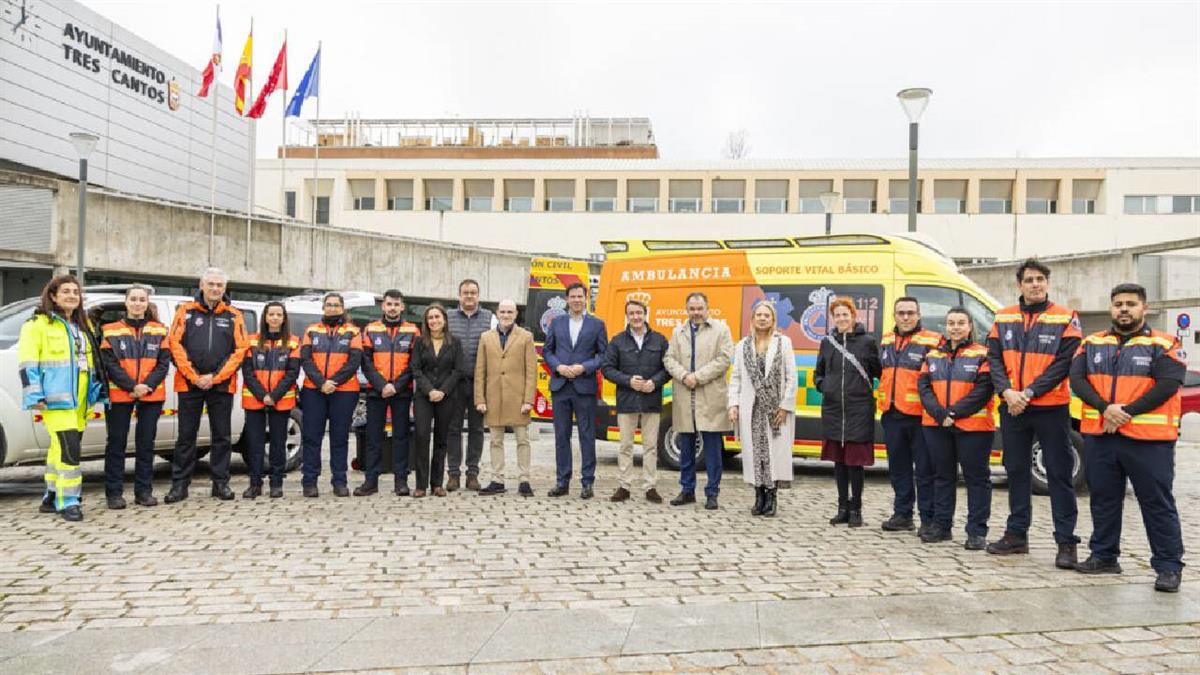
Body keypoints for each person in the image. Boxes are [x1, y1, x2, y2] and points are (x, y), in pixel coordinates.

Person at [1070, 283, 1186, 593]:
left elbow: (1168, 383)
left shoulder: (1164, 343)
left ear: (1143, 308)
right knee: (1103, 500)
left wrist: (1126, 412)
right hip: (1101, 436)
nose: (1124, 309)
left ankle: (1168, 566)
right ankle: (1104, 556)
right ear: (1111, 308)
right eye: (1118, 304)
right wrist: (1105, 408)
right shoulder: (1091, 343)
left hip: (1149, 440)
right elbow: (1077, 380)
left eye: (1131, 304)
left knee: (1156, 503)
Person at [985, 258, 1083, 567]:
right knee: (1016, 470)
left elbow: (1065, 363)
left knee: (1059, 473)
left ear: (1047, 283)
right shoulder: (1003, 316)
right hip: (1012, 406)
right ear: (1020, 285)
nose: (1035, 284)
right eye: (1029, 280)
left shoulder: (1065, 317)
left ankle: (1066, 543)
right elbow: (993, 359)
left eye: (1040, 279)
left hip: (1050, 407)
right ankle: (1017, 535)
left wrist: (1028, 393)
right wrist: (1007, 392)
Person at [18, 275, 107, 521]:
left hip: (80, 401)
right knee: (70, 450)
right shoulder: (37, 325)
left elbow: (90, 362)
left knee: (59, 447)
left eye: (75, 292)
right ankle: (68, 501)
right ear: (53, 296)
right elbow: (27, 364)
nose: (72, 296)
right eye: (66, 291)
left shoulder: (82, 326)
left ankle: (51, 494)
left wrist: (95, 390)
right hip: (55, 399)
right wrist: (34, 394)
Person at [166, 268, 248, 503]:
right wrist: (194, 376)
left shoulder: (234, 315)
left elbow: (240, 350)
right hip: (189, 384)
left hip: (221, 385)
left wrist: (215, 376)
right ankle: (180, 486)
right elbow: (174, 344)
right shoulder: (185, 311)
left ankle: (220, 484)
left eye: (219, 285)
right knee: (186, 437)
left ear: (224, 288)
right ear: (201, 285)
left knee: (221, 436)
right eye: (211, 284)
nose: (215, 288)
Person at [917, 307, 995, 548]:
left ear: (970, 326)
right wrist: (940, 414)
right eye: (951, 323)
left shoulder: (983, 354)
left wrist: (953, 413)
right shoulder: (932, 355)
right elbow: (924, 388)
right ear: (945, 326)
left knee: (977, 479)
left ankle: (976, 532)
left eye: (961, 323)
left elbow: (984, 389)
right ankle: (942, 527)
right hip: (937, 425)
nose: (955, 327)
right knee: (943, 477)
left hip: (974, 428)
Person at [100, 285, 170, 509]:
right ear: (126, 302)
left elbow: (163, 363)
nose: (138, 303)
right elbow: (109, 363)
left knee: (146, 444)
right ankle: (114, 494)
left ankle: (144, 492)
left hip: (151, 394)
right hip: (121, 394)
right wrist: (131, 386)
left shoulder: (160, 330)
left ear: (147, 303)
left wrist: (146, 386)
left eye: (142, 299)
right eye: (134, 299)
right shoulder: (110, 330)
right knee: (116, 444)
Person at [877, 296, 942, 534]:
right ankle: (902, 514)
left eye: (910, 313)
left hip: (920, 416)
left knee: (925, 470)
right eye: (901, 313)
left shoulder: (933, 340)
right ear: (894, 316)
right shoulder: (886, 339)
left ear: (919, 315)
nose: (905, 317)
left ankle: (928, 519)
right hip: (892, 414)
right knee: (898, 469)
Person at [664, 292, 734, 510]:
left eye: (699, 308)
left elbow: (724, 359)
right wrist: (684, 375)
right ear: (687, 310)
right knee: (686, 447)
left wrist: (698, 377)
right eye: (692, 309)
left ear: (707, 309)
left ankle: (712, 492)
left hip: (710, 396)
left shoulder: (721, 330)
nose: (696, 312)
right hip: (685, 396)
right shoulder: (678, 331)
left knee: (712, 449)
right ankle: (687, 490)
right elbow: (669, 358)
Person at [815, 297, 882, 527]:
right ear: (833, 318)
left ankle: (856, 509)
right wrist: (825, 386)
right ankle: (842, 508)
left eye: (845, 314)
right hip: (834, 410)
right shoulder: (827, 343)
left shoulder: (867, 343)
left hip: (859, 410)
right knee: (839, 462)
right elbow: (818, 373)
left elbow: (878, 372)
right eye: (837, 315)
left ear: (854, 316)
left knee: (855, 463)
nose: (842, 319)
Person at [728, 300, 796, 517]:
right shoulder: (743, 345)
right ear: (753, 318)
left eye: (767, 315)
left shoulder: (783, 343)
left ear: (773, 319)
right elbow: (736, 377)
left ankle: (772, 497)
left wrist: (785, 406)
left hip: (775, 410)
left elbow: (792, 377)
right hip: (752, 409)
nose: (762, 318)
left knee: (773, 454)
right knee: (754, 454)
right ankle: (759, 496)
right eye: (759, 315)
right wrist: (733, 404)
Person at [601, 297, 670, 504]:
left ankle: (650, 487)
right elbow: (607, 368)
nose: (636, 317)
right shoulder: (617, 341)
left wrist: (655, 382)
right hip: (627, 400)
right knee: (625, 446)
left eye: (639, 313)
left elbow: (668, 368)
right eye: (631, 313)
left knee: (650, 447)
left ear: (645, 314)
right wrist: (628, 381)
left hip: (651, 400)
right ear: (627, 316)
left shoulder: (659, 340)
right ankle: (624, 486)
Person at [543, 282, 608, 499]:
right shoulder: (556, 323)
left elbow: (603, 355)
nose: (577, 300)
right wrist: (558, 367)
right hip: (561, 386)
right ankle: (562, 481)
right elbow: (547, 351)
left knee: (586, 436)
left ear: (586, 298)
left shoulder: (597, 324)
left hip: (584, 386)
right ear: (567, 299)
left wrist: (584, 367)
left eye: (580, 296)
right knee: (561, 436)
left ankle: (587, 483)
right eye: (573, 296)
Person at [356, 290, 421, 497]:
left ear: (402, 307)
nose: (392, 308)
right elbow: (365, 362)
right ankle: (371, 481)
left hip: (401, 391)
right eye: (389, 304)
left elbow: (414, 363)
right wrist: (382, 385)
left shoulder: (413, 330)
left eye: (396, 304)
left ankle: (401, 482)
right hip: (377, 391)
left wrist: (397, 386)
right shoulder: (370, 329)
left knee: (401, 436)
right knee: (373, 437)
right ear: (383, 306)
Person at [298, 292, 363, 498]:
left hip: (344, 391)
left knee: (339, 437)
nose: (332, 308)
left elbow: (354, 361)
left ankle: (340, 482)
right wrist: (321, 383)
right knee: (311, 437)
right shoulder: (311, 330)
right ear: (323, 307)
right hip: (314, 390)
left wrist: (333, 382)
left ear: (342, 308)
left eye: (336, 305)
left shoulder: (353, 331)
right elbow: (305, 359)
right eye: (329, 304)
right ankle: (310, 482)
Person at [475, 299, 537, 497]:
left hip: (518, 398)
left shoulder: (526, 337)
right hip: (493, 397)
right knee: (495, 440)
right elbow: (480, 371)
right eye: (503, 311)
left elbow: (531, 371)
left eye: (510, 312)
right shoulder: (486, 337)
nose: (506, 315)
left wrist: (528, 399)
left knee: (522, 440)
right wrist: (480, 399)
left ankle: (524, 480)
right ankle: (497, 479)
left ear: (516, 314)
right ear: (497, 313)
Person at [241, 302, 300, 499]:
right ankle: (255, 484)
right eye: (271, 314)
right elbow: (247, 371)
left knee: (278, 443)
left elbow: (292, 373)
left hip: (281, 401)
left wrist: (273, 396)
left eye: (279, 315)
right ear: (265, 317)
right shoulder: (251, 341)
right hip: (254, 400)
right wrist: (262, 395)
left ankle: (276, 483)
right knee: (255, 444)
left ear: (284, 319)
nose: (275, 318)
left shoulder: (293, 342)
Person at [411, 304, 467, 498]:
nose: (434, 321)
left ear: (444, 320)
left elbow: (458, 370)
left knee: (441, 439)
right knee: (422, 436)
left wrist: (443, 391)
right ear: (426, 322)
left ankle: (436, 484)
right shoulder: (420, 342)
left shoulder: (455, 342)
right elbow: (416, 369)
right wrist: (430, 390)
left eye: (437, 317)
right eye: (430, 318)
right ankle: (420, 485)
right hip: (424, 397)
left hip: (447, 396)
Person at [445, 278, 495, 492]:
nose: (469, 296)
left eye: (473, 292)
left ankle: (472, 474)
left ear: (478, 295)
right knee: (453, 429)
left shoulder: (489, 318)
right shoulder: (447, 317)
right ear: (459, 295)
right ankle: (453, 474)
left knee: (477, 429)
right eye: (465, 292)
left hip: (479, 383)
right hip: (454, 383)